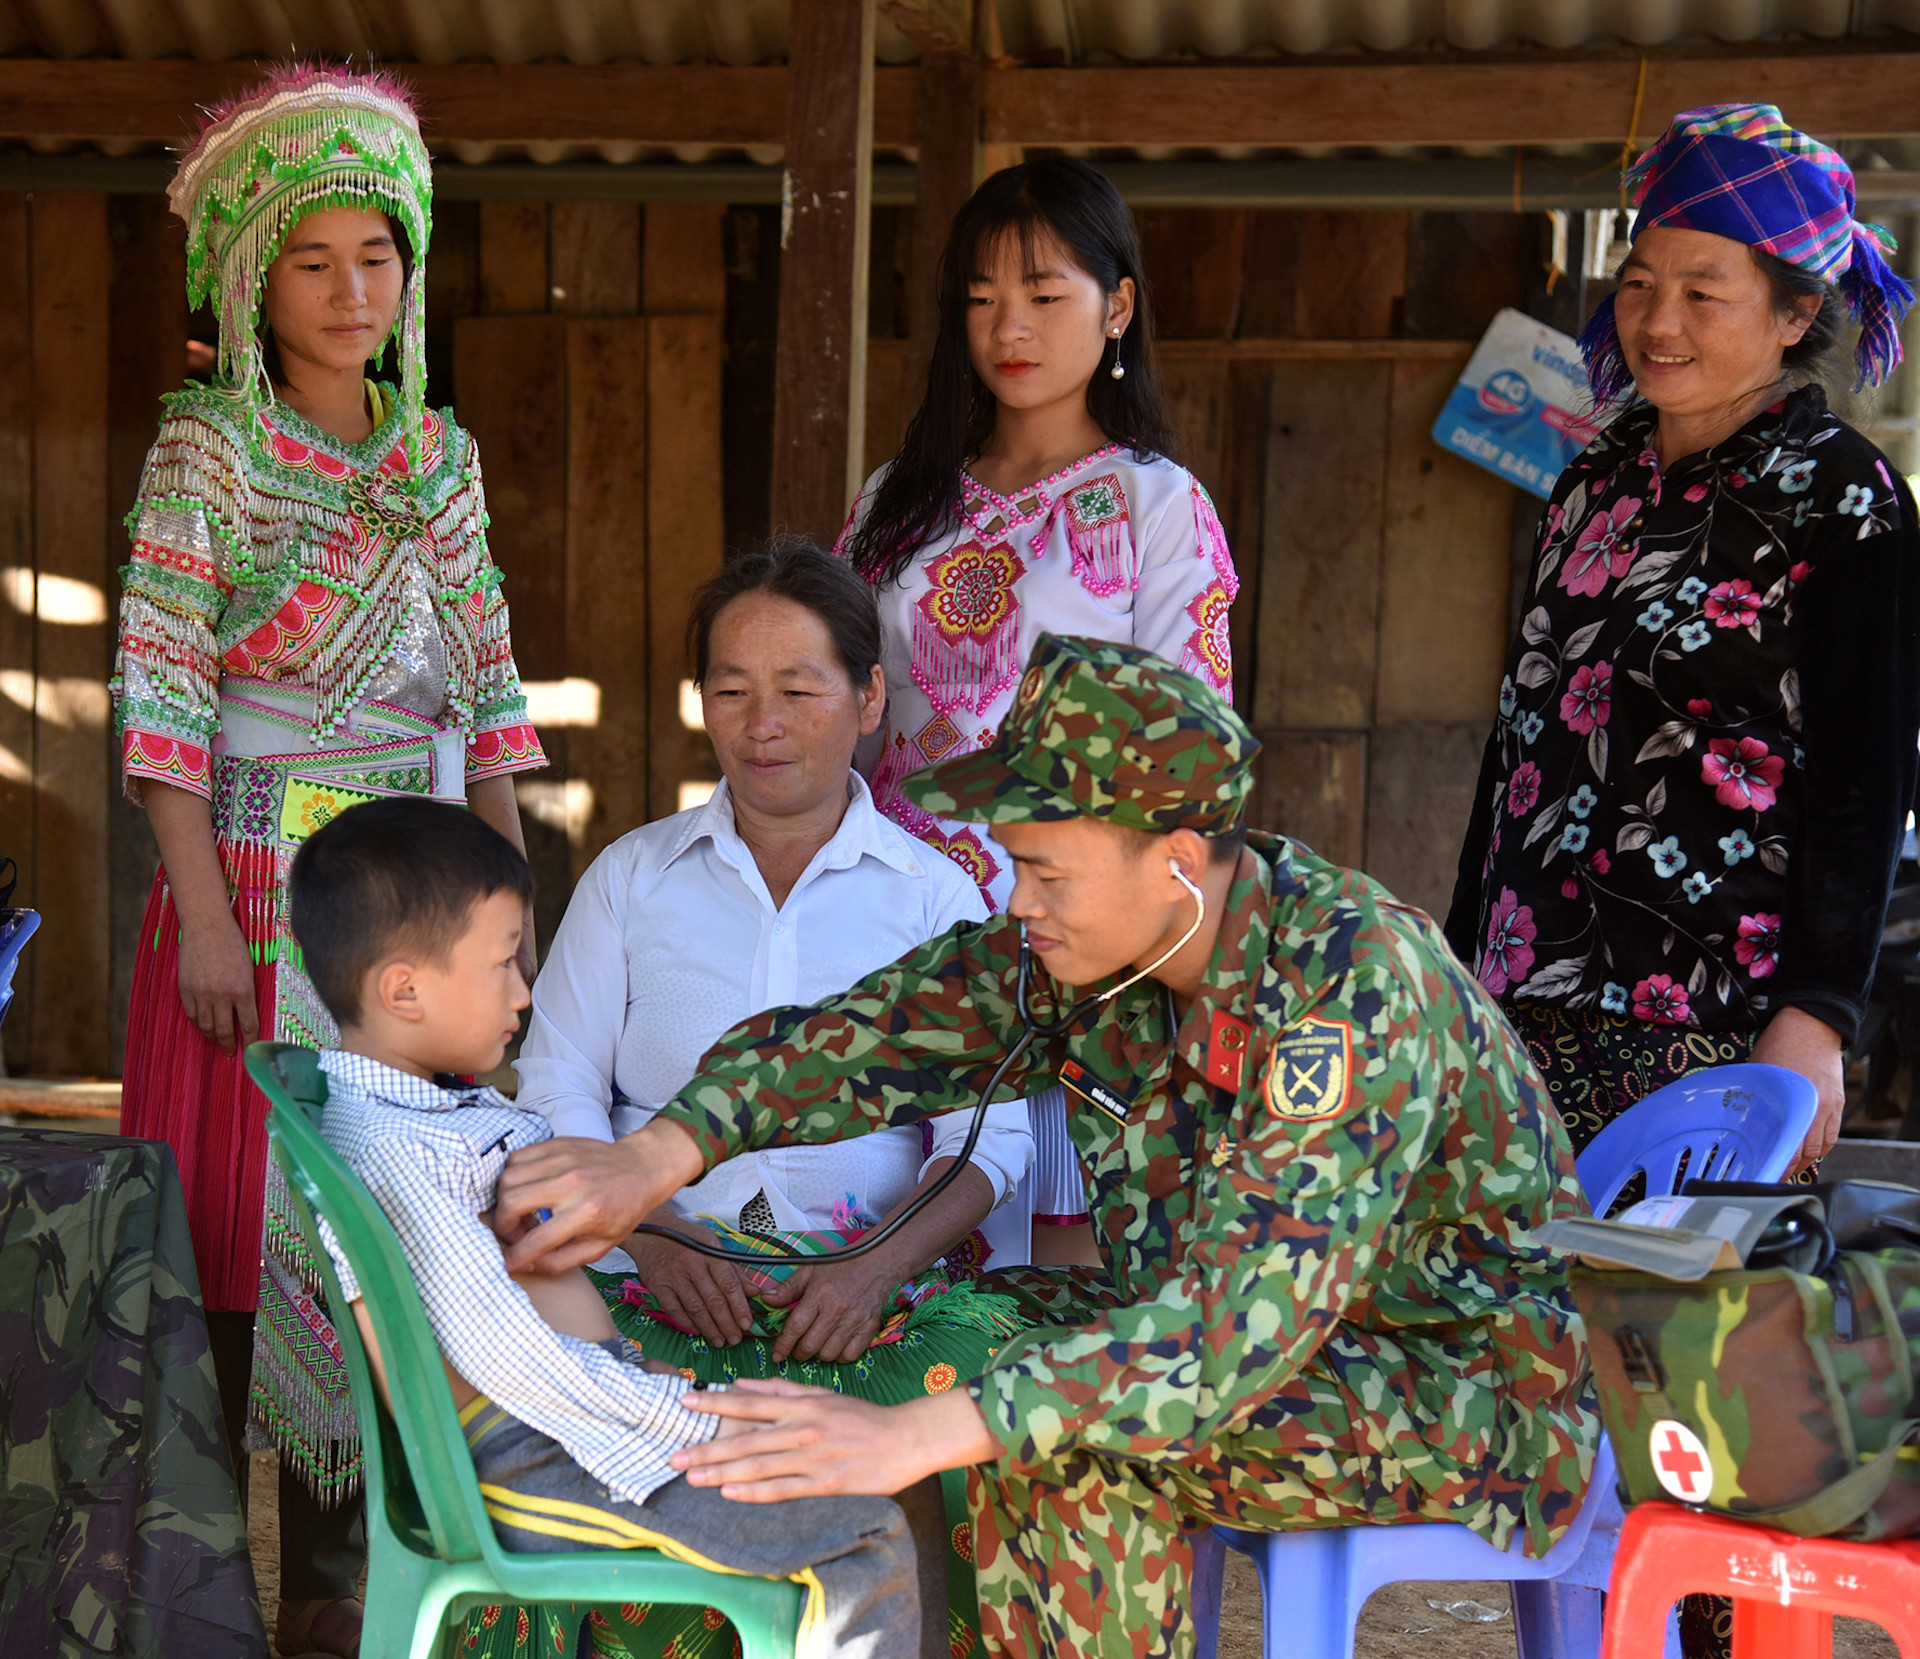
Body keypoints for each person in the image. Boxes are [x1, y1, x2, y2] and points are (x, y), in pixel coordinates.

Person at [493, 634, 1600, 1659]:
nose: (1018, 903)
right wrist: (660, 1157)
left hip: (1452, 1386)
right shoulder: (1098, 950)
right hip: (1232, 1340)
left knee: (1062, 1433)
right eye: (1015, 865)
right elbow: (866, 1033)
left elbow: (1228, 1335)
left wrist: (919, 1434)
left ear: (1174, 861)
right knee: (998, 1346)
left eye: (1047, 873)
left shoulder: (1351, 996)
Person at [109, 66, 545, 1658]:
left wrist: (508, 911)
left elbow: (491, 691)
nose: (356, 291)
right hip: (245, 879)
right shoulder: (205, 457)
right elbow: (160, 697)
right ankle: (203, 1592)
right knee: (235, 1240)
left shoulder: (439, 457)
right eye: (314, 260)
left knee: (378, 1238)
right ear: (246, 276)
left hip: (410, 894)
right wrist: (212, 926)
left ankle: (343, 1596)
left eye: (381, 254)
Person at [514, 542, 1033, 1659]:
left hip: (868, 1293)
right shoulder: (632, 878)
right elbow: (552, 1084)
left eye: (799, 690)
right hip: (659, 1287)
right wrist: (649, 1236)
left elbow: (994, 1138)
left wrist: (871, 1270)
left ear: (869, 700)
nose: (764, 724)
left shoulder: (934, 896)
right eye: (733, 691)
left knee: (980, 1387)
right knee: (588, 1398)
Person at [283, 797, 919, 1659]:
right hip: (533, 1455)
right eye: (504, 963)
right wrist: (693, 1420)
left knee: (832, 1464)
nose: (524, 990)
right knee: (863, 1531)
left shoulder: (418, 1110)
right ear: (405, 988)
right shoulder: (402, 1154)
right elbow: (508, 1355)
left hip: (570, 1424)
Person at [1445, 106, 1920, 1175]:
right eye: (1641, 282)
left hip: (1711, 1026)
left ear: (1795, 314)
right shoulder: (1588, 486)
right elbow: (1517, 745)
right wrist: (1456, 972)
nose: (1658, 320)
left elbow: (1868, 776)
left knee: (1665, 1335)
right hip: (1519, 1011)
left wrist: (1820, 1017)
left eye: (1704, 293)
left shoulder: (1843, 496)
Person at [840, 154, 1241, 1262]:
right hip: (892, 927)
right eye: (980, 298)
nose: (1008, 325)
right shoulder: (897, 500)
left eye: (1043, 293)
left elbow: (1182, 760)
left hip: (1063, 941)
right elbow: (841, 695)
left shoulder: (1159, 507)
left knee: (1043, 1273)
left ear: (1117, 306)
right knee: (872, 1240)